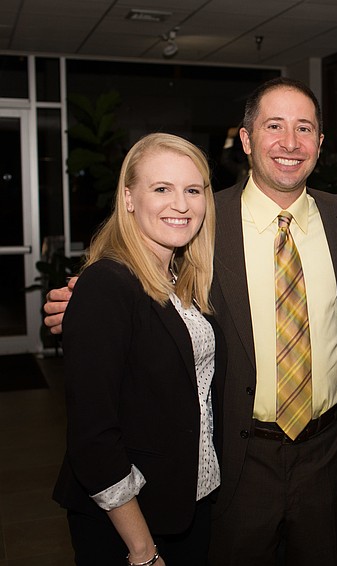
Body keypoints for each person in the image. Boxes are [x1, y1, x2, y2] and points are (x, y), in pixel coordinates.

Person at [45, 78, 337, 566]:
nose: (289, 142)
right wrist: (79, 299)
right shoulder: (204, 220)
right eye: (273, 126)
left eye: (305, 128)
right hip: (239, 460)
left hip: (325, 456)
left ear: (320, 144)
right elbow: (134, 285)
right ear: (245, 139)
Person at [52, 133, 222, 565]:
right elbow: (93, 437)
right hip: (129, 524)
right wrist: (143, 551)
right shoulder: (108, 283)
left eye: (192, 190)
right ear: (128, 198)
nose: (181, 205)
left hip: (188, 504)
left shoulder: (183, 280)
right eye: (161, 188)